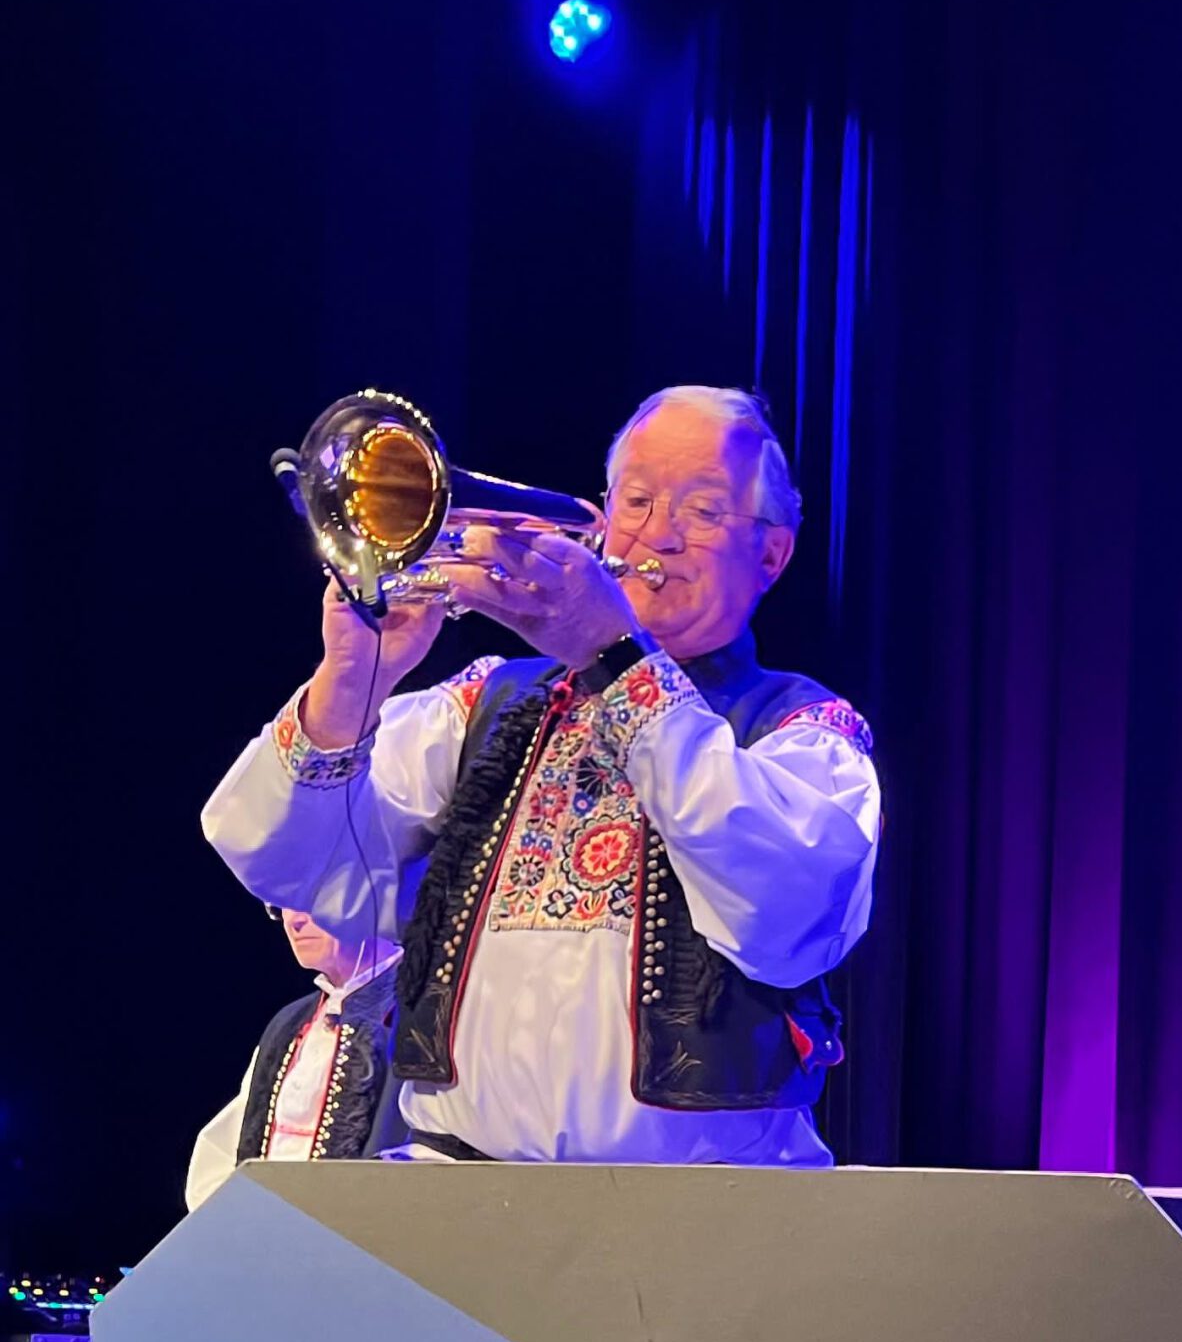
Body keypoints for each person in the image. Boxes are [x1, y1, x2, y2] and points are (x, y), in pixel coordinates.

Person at [203, 386, 879, 1166]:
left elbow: (786, 915)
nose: (658, 536)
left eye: (702, 511)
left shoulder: (803, 730)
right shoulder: (483, 702)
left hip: (702, 1205)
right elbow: (287, 861)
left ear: (770, 554)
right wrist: (352, 681)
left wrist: (616, 658)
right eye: (635, 502)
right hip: (458, 1190)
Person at [185, 907, 401, 1211]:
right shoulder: (289, 1024)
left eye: (308, 901)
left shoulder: (422, 1019)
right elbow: (222, 1153)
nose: (293, 919)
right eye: (281, 905)